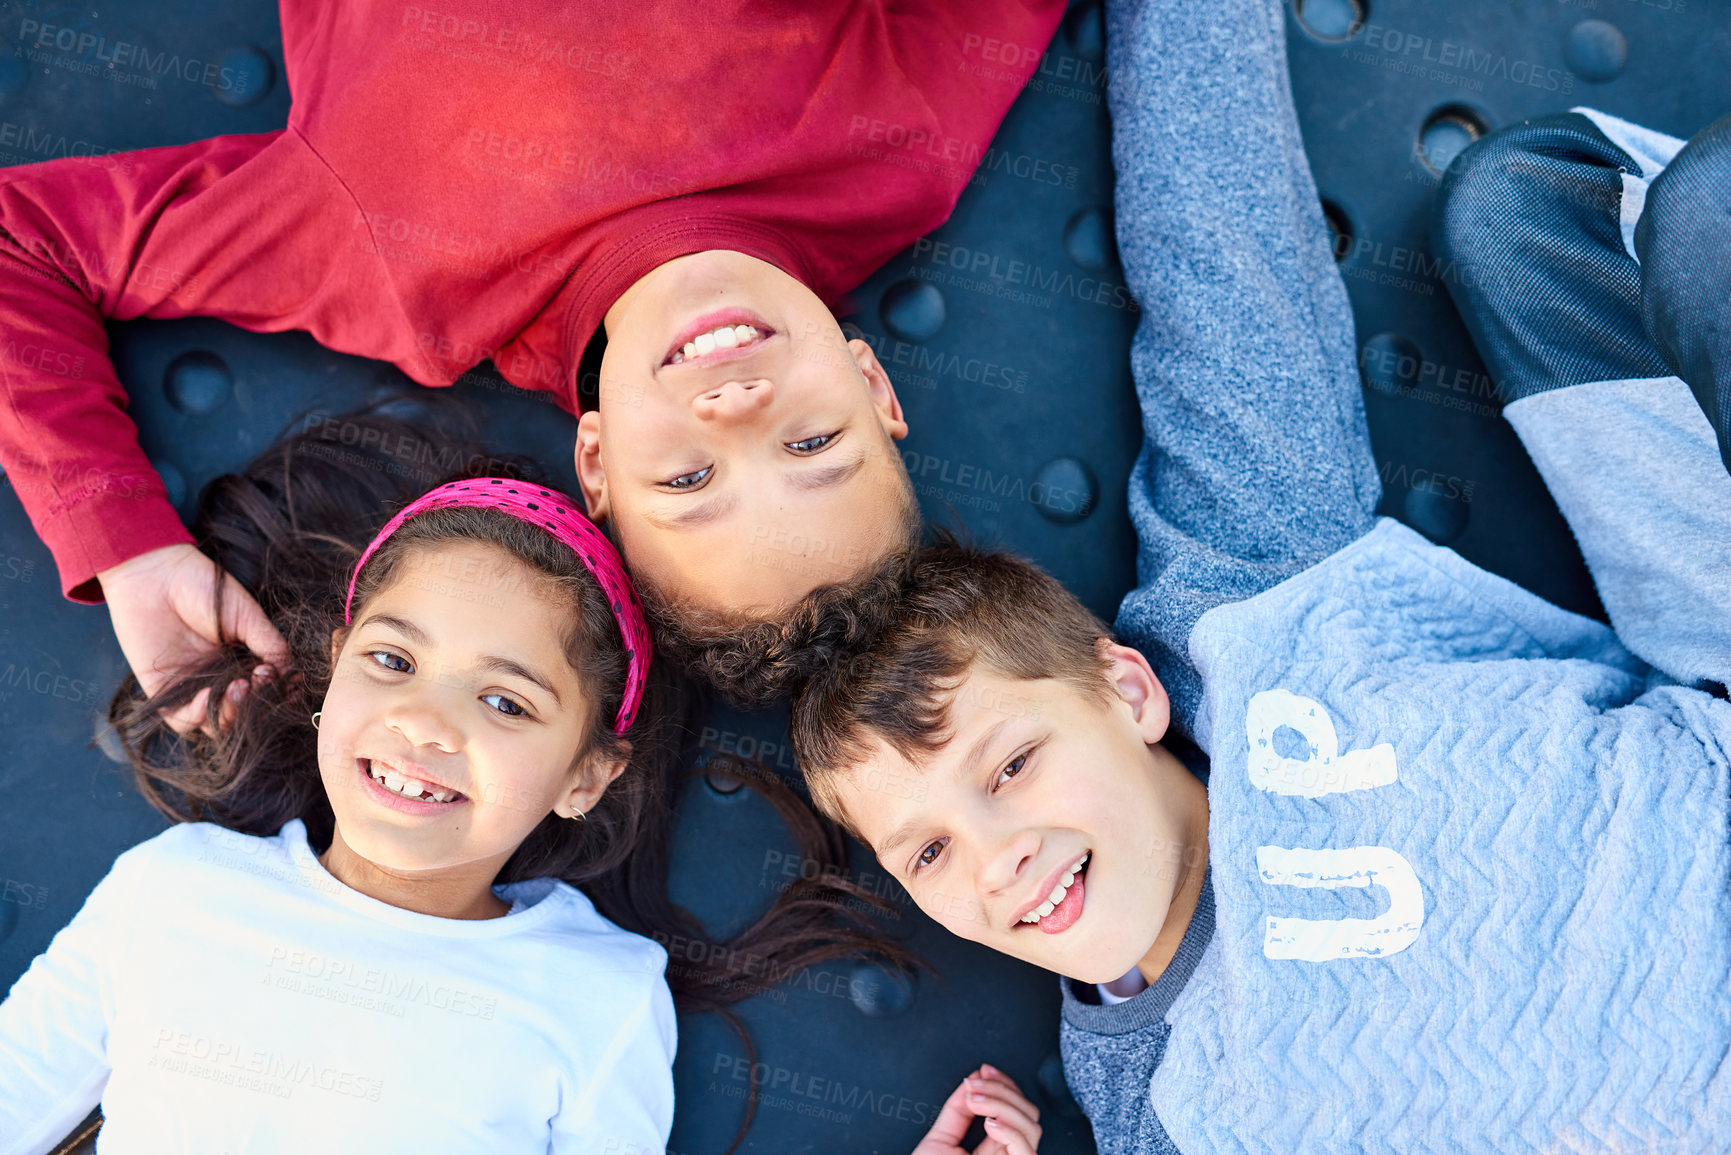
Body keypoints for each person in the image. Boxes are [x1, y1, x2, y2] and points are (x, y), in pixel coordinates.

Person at [777, 0, 1731, 1150]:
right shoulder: (1164, 1111)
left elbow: (1219, 252)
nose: (997, 858)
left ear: (1127, 690)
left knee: (1542, 208)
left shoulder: (1244, 600)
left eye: (1013, 764)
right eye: (925, 852)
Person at [0, 0, 1066, 734]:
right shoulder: (896, 150)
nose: (738, 408)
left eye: (689, 480)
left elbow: (23, 242)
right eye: (812, 443)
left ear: (595, 467)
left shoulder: (400, 270)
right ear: (875, 388)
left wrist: (128, 550)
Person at [0, 407, 1043, 1155]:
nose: (425, 722)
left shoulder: (599, 996)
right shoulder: (171, 891)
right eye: (393, 662)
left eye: (505, 703)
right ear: (329, 678)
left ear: (588, 775)